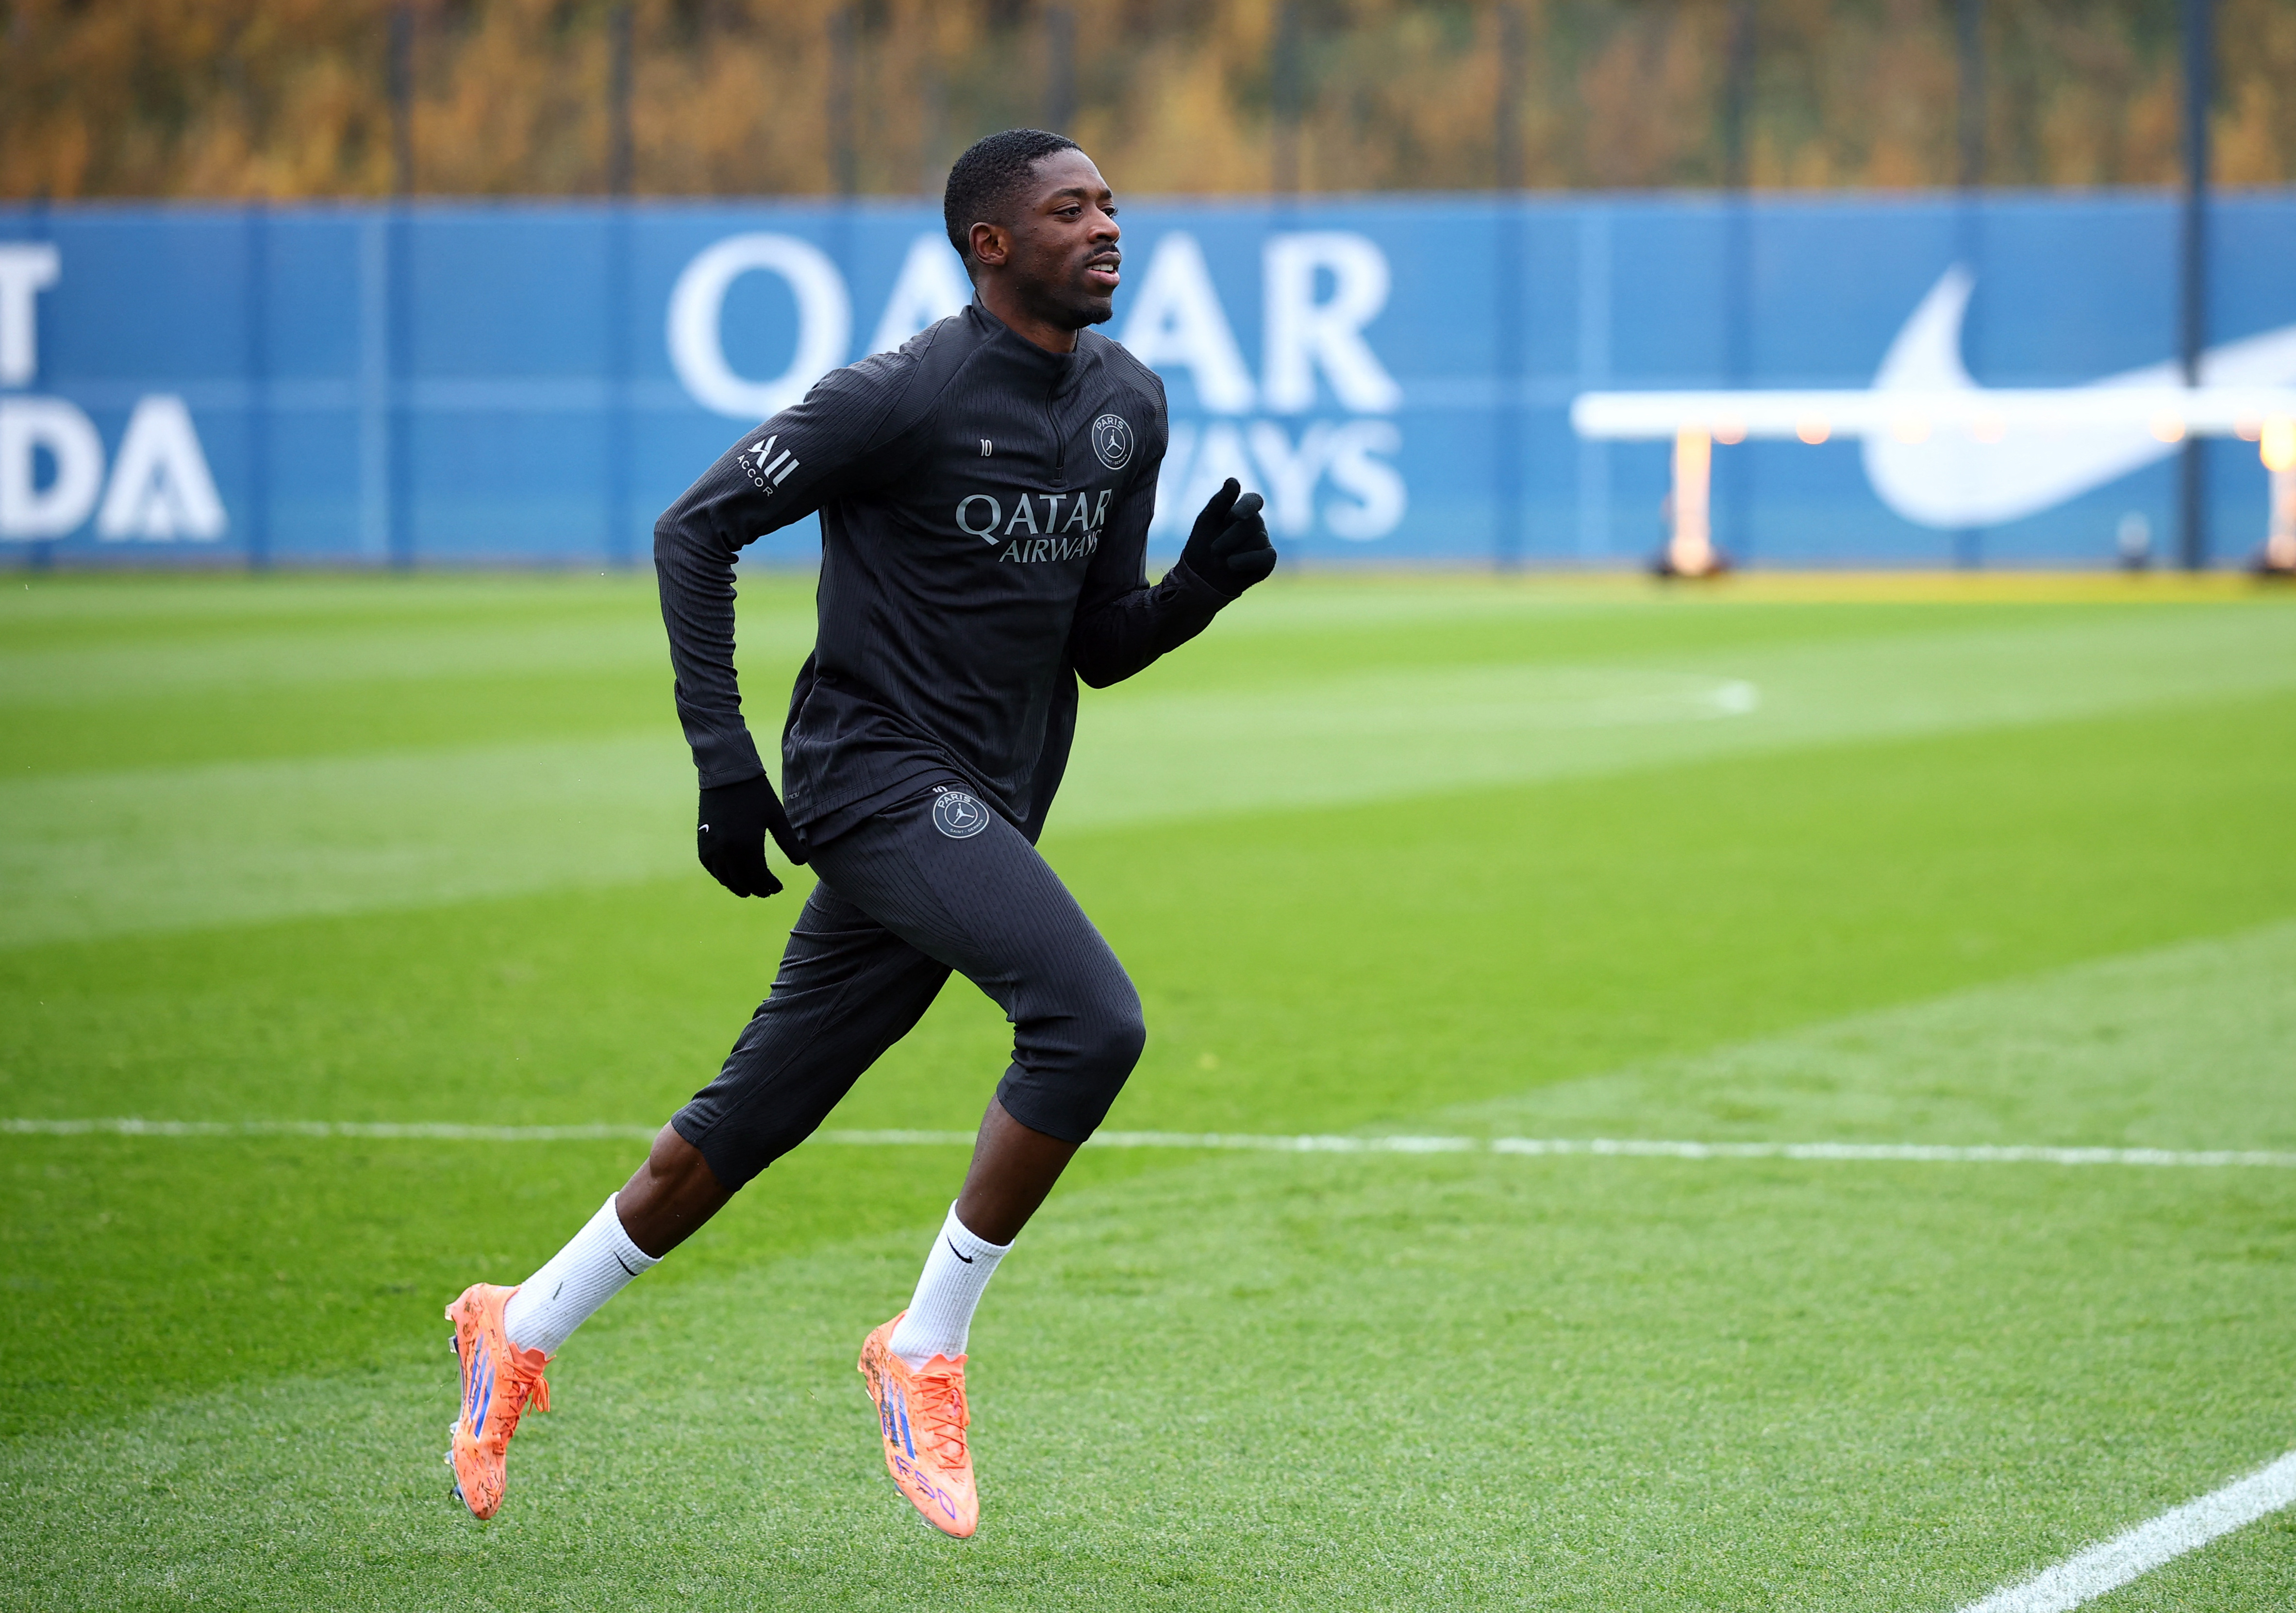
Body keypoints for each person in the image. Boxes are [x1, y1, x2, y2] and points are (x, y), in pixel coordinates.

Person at [442, 128, 1277, 1539]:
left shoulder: (1131, 402)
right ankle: (925, 1343)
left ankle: (515, 1323)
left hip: (982, 802)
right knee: (1090, 1020)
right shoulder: (900, 392)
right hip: (870, 775)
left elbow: (1096, 647)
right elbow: (694, 529)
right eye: (1070, 210)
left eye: (1112, 207)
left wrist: (1196, 588)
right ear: (988, 243)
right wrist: (723, 762)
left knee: (752, 1116)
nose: (1106, 228)